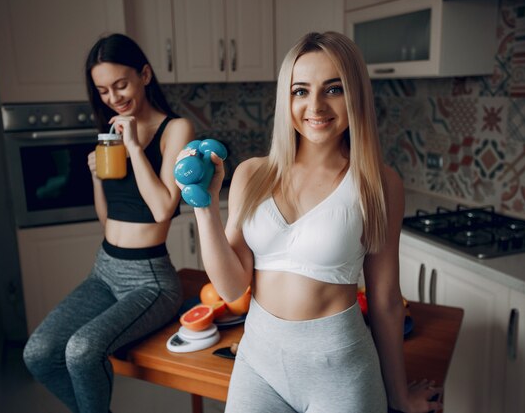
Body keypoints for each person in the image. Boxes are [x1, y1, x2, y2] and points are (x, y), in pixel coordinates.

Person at [181, 32, 443, 413]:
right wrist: (204, 205)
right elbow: (232, 285)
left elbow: (385, 300)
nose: (315, 105)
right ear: (285, 99)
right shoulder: (252, 174)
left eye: (333, 89)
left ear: (355, 95)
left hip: (340, 373)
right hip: (258, 365)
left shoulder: (378, 183)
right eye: (300, 91)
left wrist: (398, 396)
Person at [23, 33, 194, 413]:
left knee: (82, 351)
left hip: (150, 279)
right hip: (104, 270)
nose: (114, 98)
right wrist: (98, 179)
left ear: (144, 75)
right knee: (38, 353)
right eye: (103, 90)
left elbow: (163, 208)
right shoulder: (110, 135)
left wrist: (134, 147)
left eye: (121, 84)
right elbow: (108, 220)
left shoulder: (175, 130)